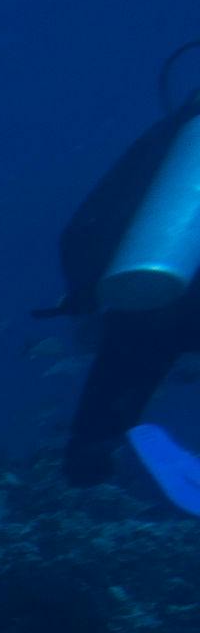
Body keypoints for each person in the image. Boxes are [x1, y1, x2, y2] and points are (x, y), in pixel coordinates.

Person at [46, 74, 200, 486]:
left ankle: (90, 466)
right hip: (169, 300)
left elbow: (91, 218)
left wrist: (87, 289)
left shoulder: (180, 134)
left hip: (152, 300)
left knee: (103, 420)